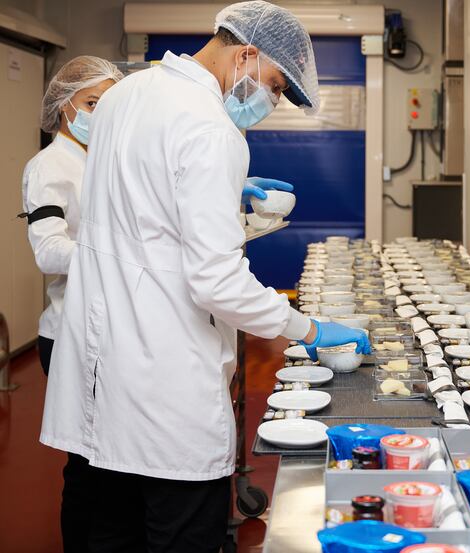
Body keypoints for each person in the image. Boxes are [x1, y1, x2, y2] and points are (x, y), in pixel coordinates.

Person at [39, 2, 370, 551]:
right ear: (246, 54)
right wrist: (307, 328)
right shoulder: (212, 128)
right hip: (165, 374)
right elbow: (217, 281)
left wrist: (225, 186)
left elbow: (138, 195)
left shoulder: (126, 94)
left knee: (111, 528)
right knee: (181, 532)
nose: (270, 102)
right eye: (274, 85)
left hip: (102, 361)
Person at [20, 55, 122, 553]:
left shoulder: (102, 160)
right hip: (69, 335)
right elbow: (49, 251)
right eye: (93, 103)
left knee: (112, 459)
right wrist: (115, 252)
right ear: (65, 107)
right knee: (86, 465)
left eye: (110, 105)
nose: (102, 114)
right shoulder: (49, 166)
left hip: (107, 331)